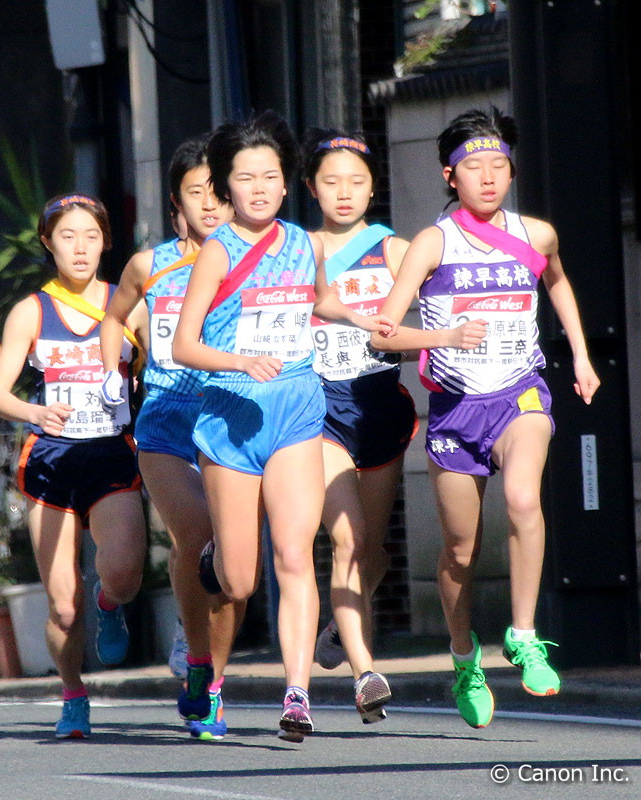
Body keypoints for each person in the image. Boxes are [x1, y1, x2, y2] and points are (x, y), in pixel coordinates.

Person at [370, 107, 599, 728]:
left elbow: (556, 282)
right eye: (475, 167)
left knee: (524, 498)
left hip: (522, 392)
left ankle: (523, 635)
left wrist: (579, 353)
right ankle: (464, 656)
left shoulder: (537, 233)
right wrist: (444, 334)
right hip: (455, 406)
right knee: (460, 550)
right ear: (451, 176)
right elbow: (384, 338)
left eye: (499, 165)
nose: (490, 177)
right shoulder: (432, 243)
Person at [171, 112, 394, 742]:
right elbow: (184, 344)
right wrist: (239, 359)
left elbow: (316, 299)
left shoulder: (301, 242)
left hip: (297, 408)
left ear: (286, 181)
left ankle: (296, 695)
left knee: (297, 554)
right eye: (246, 178)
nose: (260, 188)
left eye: (270, 175)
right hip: (233, 414)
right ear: (224, 186)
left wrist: (356, 317)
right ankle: (218, 560)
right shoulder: (216, 250)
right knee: (240, 578)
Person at [98, 135, 245, 740]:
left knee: (235, 563)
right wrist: (113, 375)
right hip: (165, 415)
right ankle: (194, 652)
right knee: (199, 535)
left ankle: (209, 684)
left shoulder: (258, 259)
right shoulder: (148, 263)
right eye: (196, 193)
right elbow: (113, 318)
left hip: (234, 412)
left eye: (219, 192)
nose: (210, 206)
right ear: (176, 202)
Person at [0, 194, 147, 739]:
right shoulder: (31, 310)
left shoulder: (126, 306)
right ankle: (73, 693)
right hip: (51, 459)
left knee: (122, 572)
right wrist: (34, 410)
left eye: (92, 236)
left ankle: (110, 603)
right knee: (61, 605)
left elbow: (159, 372)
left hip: (109, 452)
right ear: (48, 243)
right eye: (68, 237)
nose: (81, 248)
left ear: (106, 242)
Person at [302, 129, 418, 724]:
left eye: (356, 181)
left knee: (371, 553)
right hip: (320, 409)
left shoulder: (396, 250)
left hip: (379, 405)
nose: (344, 193)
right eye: (330, 181)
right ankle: (365, 672)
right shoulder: (297, 249)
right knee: (345, 539)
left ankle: (337, 629)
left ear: (374, 187)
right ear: (310, 187)